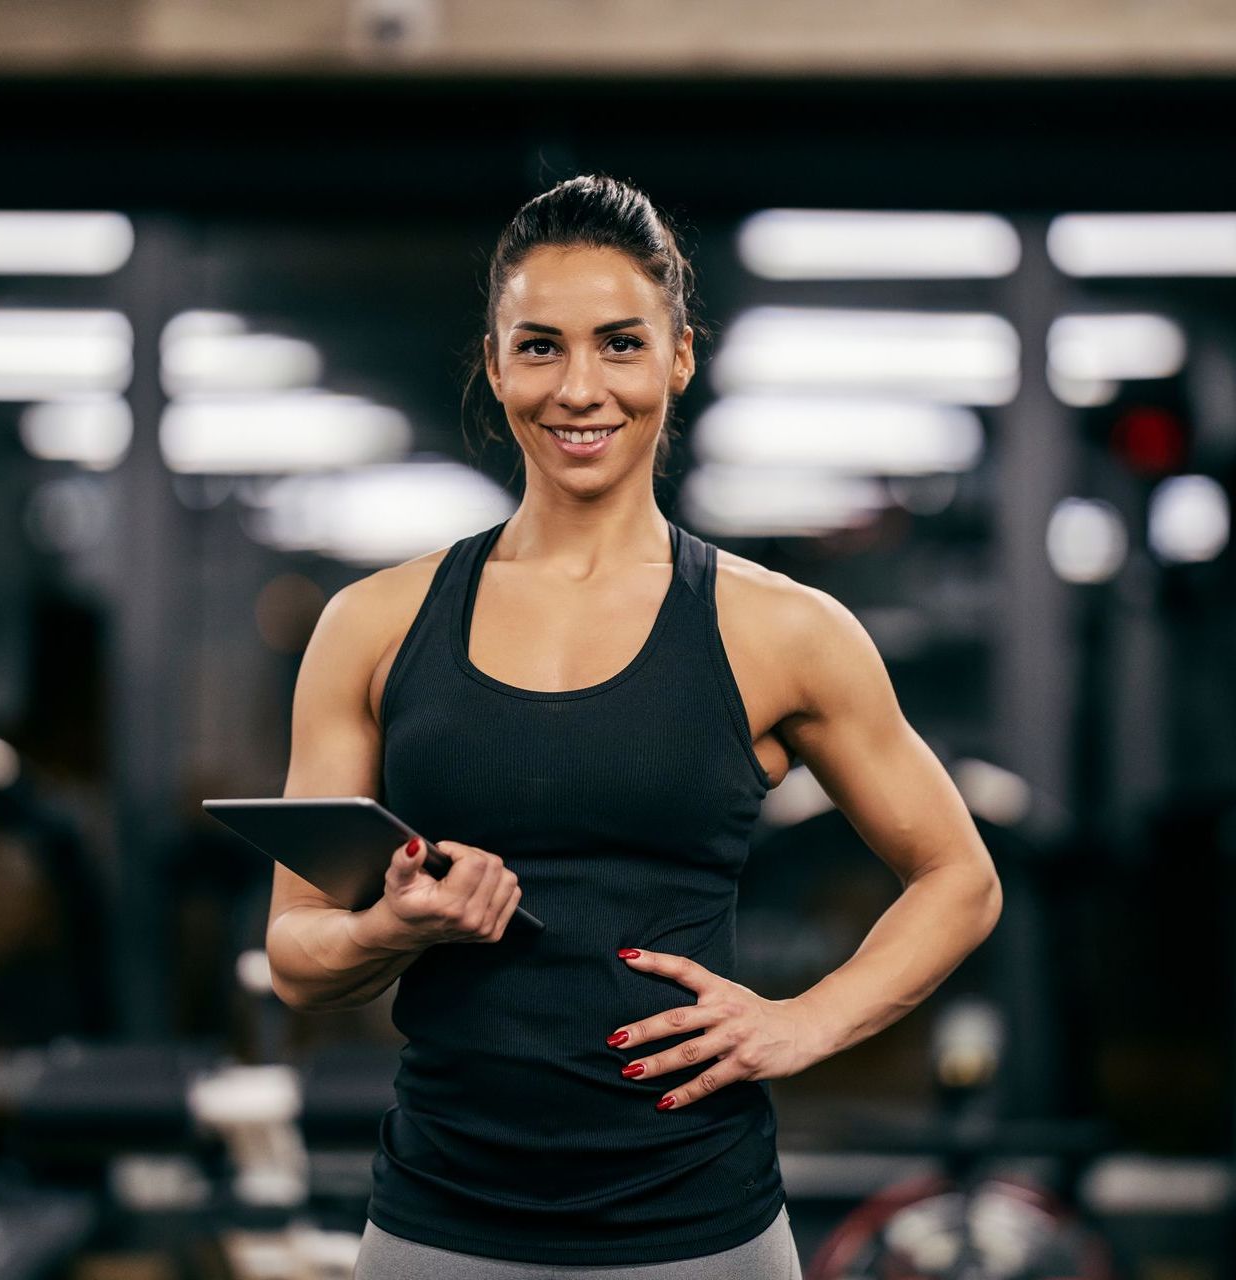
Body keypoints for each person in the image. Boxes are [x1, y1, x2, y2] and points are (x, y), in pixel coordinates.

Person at [265, 174, 1004, 1279]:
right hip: (435, 1218)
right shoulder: (370, 624)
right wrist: (393, 929)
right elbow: (294, 952)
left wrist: (802, 1021)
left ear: (677, 357)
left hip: (699, 1225)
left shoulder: (782, 629)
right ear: (494, 360)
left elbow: (959, 877)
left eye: (618, 343)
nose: (579, 388)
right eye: (539, 346)